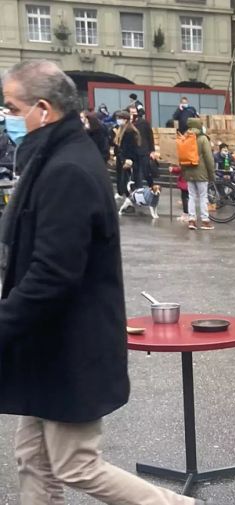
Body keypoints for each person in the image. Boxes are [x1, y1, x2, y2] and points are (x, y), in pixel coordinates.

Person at [0, 60, 204, 505]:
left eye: (11, 108)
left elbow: (53, 275)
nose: (8, 118)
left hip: (69, 346)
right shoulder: (53, 156)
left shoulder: (66, 168)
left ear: (42, 109)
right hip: (46, 345)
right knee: (32, 460)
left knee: (75, 463)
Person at [182, 117, 215, 230]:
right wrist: (212, 174)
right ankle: (205, 221)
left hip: (188, 171)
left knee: (191, 196)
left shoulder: (185, 137)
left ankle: (192, 220)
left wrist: (184, 170)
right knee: (203, 196)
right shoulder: (202, 139)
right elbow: (208, 158)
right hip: (201, 172)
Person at [113, 110, 141, 196]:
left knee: (127, 183)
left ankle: (130, 203)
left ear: (125, 120)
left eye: (119, 118)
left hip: (127, 160)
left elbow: (129, 148)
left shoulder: (129, 132)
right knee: (124, 182)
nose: (118, 120)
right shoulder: (121, 130)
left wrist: (126, 160)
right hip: (122, 159)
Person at [132, 108, 155, 187]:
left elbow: (150, 136)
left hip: (144, 150)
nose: (133, 114)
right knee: (136, 173)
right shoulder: (128, 124)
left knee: (146, 171)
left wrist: (152, 150)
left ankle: (151, 186)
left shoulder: (144, 123)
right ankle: (138, 190)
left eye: (134, 112)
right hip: (133, 152)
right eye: (131, 112)